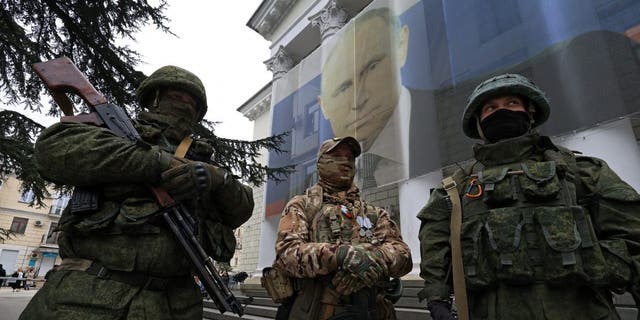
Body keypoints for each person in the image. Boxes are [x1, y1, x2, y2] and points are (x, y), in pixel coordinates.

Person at [20, 66, 254, 319]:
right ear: (154, 97)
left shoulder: (202, 159)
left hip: (175, 305)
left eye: (192, 103)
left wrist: (217, 178)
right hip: (88, 295)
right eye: (177, 97)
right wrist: (158, 163)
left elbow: (241, 209)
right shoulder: (113, 131)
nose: (184, 106)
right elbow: (53, 150)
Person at [417, 73, 640, 319]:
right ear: (479, 122)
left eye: (512, 103)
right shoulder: (454, 190)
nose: (501, 111)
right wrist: (437, 299)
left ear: (530, 113)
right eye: (490, 108)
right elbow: (435, 248)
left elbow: (633, 237)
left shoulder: (582, 172)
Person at [273, 137, 412, 319]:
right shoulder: (303, 206)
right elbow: (287, 254)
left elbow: (403, 255)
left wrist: (372, 259)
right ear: (321, 162)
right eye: (337, 156)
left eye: (350, 157)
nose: (345, 161)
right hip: (320, 310)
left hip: (373, 311)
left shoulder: (373, 212)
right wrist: (341, 255)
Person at [319, 7, 438, 187]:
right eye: (343, 88)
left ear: (402, 46)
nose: (357, 101)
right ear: (323, 106)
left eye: (372, 67)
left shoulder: (454, 118)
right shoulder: (310, 188)